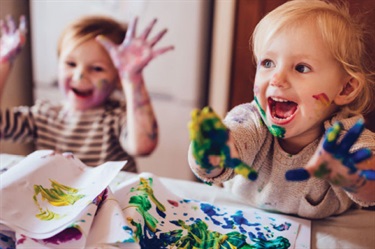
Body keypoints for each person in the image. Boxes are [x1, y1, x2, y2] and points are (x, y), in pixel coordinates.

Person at [188, 0, 375, 219]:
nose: (277, 79)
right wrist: (208, 154)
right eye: (268, 63)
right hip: (238, 223)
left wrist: (351, 176)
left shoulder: (344, 138)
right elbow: (213, 168)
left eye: (301, 68)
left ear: (345, 88)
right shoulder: (251, 120)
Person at [0, 14, 173, 172]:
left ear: (118, 77)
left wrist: (132, 78)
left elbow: (143, 146)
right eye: (71, 64)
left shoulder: (116, 117)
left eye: (97, 68)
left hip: (111, 204)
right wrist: (3, 63)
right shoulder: (44, 115)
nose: (80, 75)